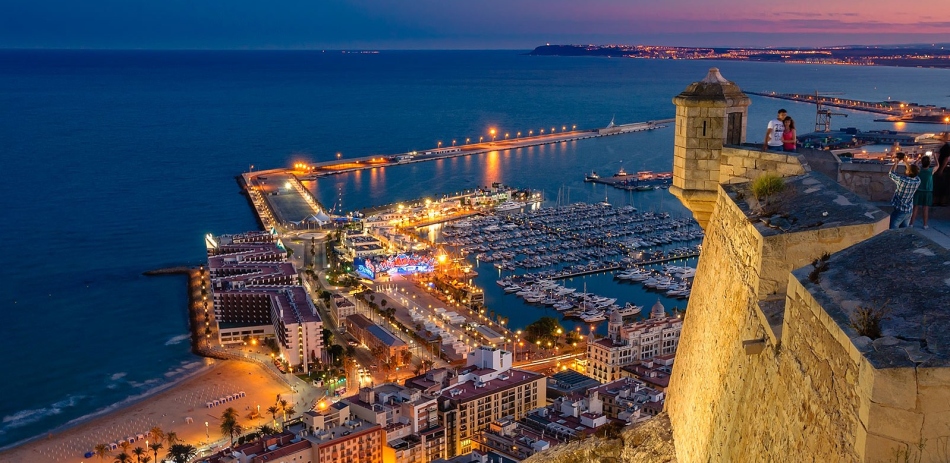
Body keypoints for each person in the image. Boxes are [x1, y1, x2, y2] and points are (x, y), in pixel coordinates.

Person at [888, 160, 921, 229]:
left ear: (908, 171)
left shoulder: (902, 180)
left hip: (899, 211)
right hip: (909, 210)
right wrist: (905, 161)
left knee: (893, 232)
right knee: (904, 231)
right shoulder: (918, 181)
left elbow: (891, 173)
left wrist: (897, 162)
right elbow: (914, 172)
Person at [910, 156, 934, 228]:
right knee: (925, 208)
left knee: (915, 207)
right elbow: (938, 165)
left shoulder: (919, 170)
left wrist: (919, 159)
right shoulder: (930, 171)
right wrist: (935, 157)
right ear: (929, 163)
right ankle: (925, 224)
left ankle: (911, 223)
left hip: (918, 191)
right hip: (927, 192)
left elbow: (914, 164)